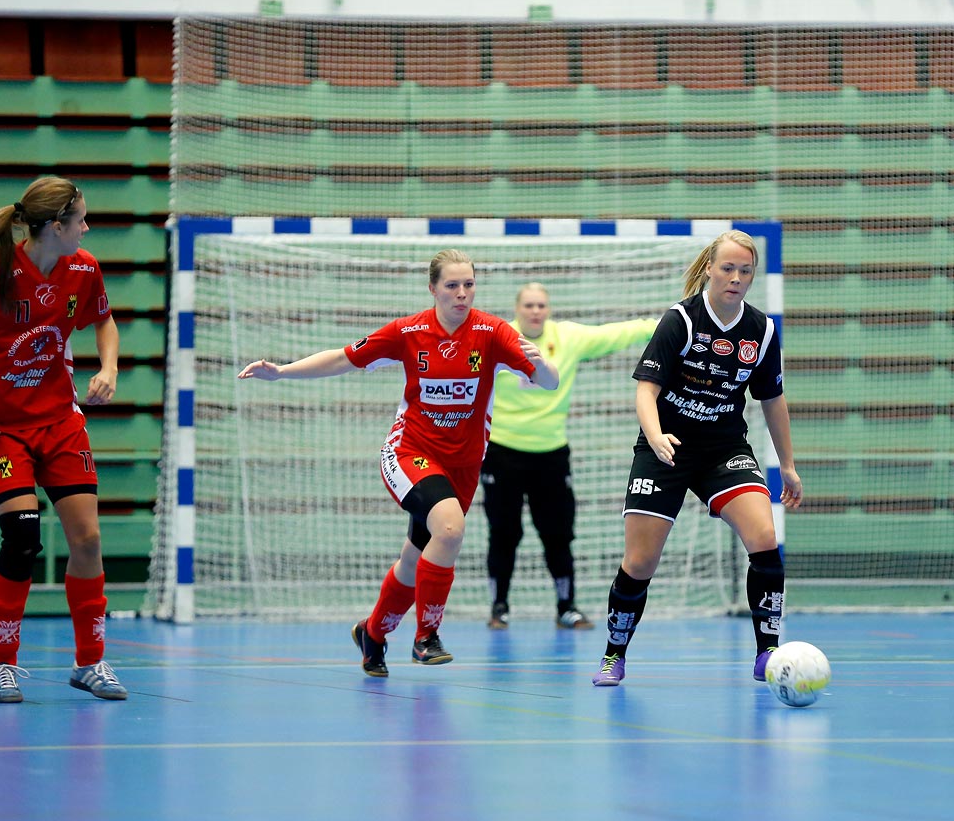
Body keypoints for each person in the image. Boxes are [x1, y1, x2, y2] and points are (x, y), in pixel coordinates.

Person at [237, 249, 559, 677]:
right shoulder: (408, 332)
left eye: (469, 284)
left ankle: (372, 634)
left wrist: (543, 368)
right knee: (450, 528)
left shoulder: (493, 331)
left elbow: (547, 381)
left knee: (415, 559)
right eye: (452, 285)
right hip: (410, 452)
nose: (462, 294)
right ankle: (426, 637)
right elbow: (342, 357)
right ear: (433, 289)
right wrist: (282, 372)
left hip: (461, 466)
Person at [591, 230, 802, 687]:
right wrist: (656, 435)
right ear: (710, 267)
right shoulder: (681, 321)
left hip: (723, 450)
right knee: (641, 561)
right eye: (728, 268)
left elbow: (772, 399)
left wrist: (786, 464)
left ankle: (768, 651)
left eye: (745, 271)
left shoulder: (761, 330)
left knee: (764, 535)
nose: (736, 278)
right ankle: (614, 654)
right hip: (664, 448)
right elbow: (645, 390)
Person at [0, 177, 128, 704]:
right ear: (55, 227)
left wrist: (110, 367)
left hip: (61, 420)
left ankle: (90, 662)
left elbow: (106, 321)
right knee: (23, 536)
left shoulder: (83, 268)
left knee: (89, 541)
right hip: (2, 427)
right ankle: (2, 664)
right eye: (81, 220)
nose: (87, 228)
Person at [483, 283, 656, 630]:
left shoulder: (569, 338)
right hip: (501, 453)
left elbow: (618, 333)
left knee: (558, 534)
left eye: (541, 305)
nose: (535, 311)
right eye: (529, 305)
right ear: (517, 308)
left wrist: (669, 322)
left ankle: (567, 606)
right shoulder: (497, 339)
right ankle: (498, 607)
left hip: (551, 455)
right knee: (504, 533)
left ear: (548, 309)